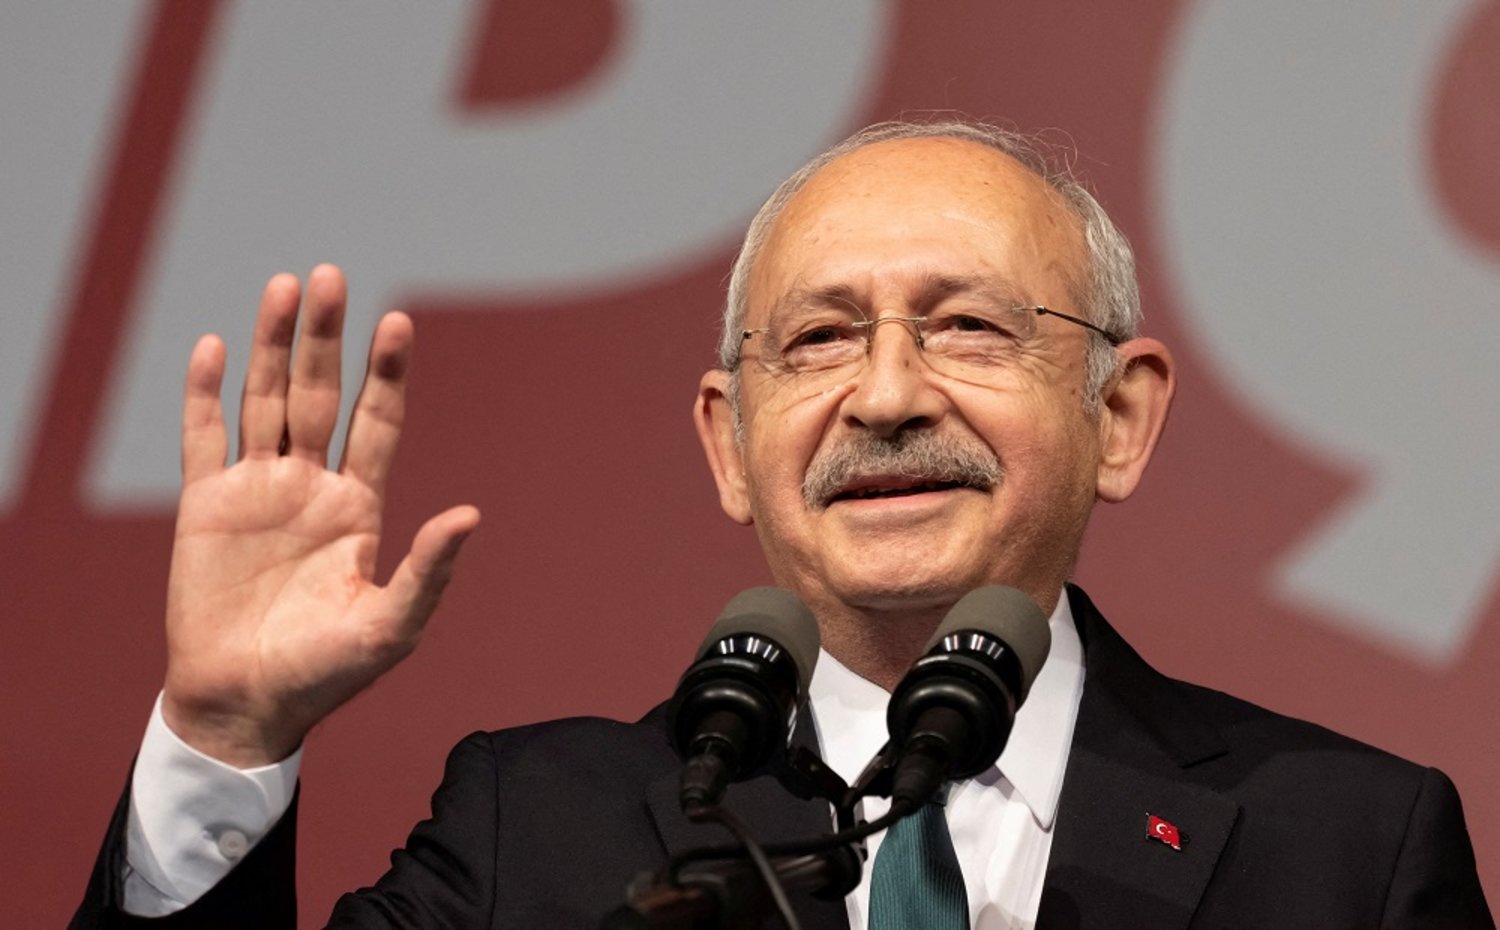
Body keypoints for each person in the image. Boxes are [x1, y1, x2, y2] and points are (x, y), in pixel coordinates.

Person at [72, 120, 1492, 928]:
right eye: (815, 340)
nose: (883, 394)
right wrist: (225, 740)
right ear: (727, 444)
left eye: (968, 329)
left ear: (1119, 416)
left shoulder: (1347, 849)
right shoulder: (540, 837)